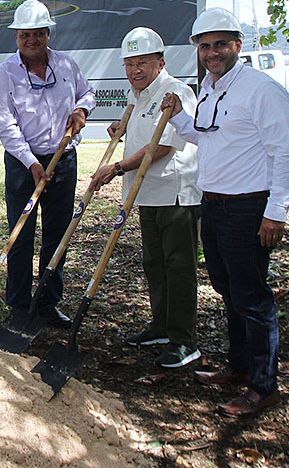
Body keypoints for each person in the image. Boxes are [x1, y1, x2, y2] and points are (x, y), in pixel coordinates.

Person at [161, 7, 289, 418]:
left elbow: (286, 154)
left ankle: (263, 385)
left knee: (253, 297)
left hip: (249, 206)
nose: (212, 52)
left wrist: (276, 212)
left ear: (238, 45)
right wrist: (178, 116)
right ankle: (239, 367)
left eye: (220, 44)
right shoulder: (209, 87)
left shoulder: (261, 89)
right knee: (228, 287)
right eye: (204, 46)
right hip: (215, 203)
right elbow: (204, 138)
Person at [89, 27, 201, 368]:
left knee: (178, 266)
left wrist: (117, 167)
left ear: (160, 62)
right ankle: (161, 326)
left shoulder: (175, 91)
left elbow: (165, 145)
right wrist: (120, 128)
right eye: (129, 64)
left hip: (175, 193)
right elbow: (141, 129)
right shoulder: (137, 93)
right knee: (154, 264)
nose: (135, 70)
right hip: (147, 194)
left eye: (143, 63)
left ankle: (185, 341)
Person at [0, 0, 95, 330]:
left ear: (48, 33)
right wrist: (32, 162)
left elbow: (87, 94)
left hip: (63, 161)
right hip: (24, 165)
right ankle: (19, 307)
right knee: (20, 236)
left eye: (37, 33)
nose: (31, 40)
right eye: (25, 35)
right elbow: (8, 127)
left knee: (57, 235)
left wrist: (81, 111)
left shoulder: (66, 66)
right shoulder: (5, 74)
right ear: (16, 37)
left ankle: (48, 304)